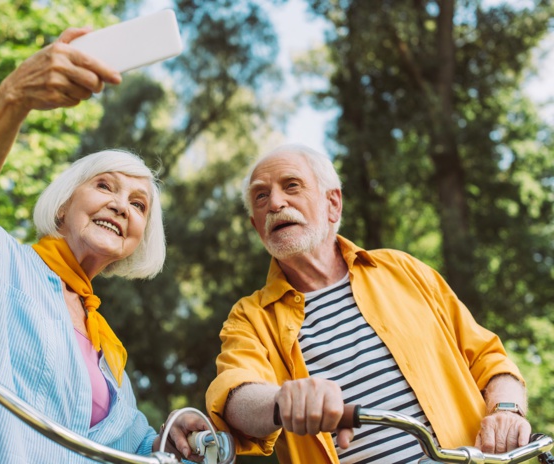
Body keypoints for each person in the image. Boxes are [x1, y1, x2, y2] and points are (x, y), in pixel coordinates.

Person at [0, 26, 207, 463]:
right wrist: (14, 98)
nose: (120, 206)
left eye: (138, 205)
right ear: (63, 207)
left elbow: (124, 447)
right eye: (104, 186)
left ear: (139, 239)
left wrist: (169, 440)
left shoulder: (109, 352)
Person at [205, 144, 531, 464]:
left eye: (291, 186)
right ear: (257, 227)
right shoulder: (249, 317)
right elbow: (236, 396)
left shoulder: (403, 270)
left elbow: (490, 360)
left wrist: (506, 411)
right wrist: (281, 400)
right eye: (261, 196)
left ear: (332, 203)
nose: (275, 202)